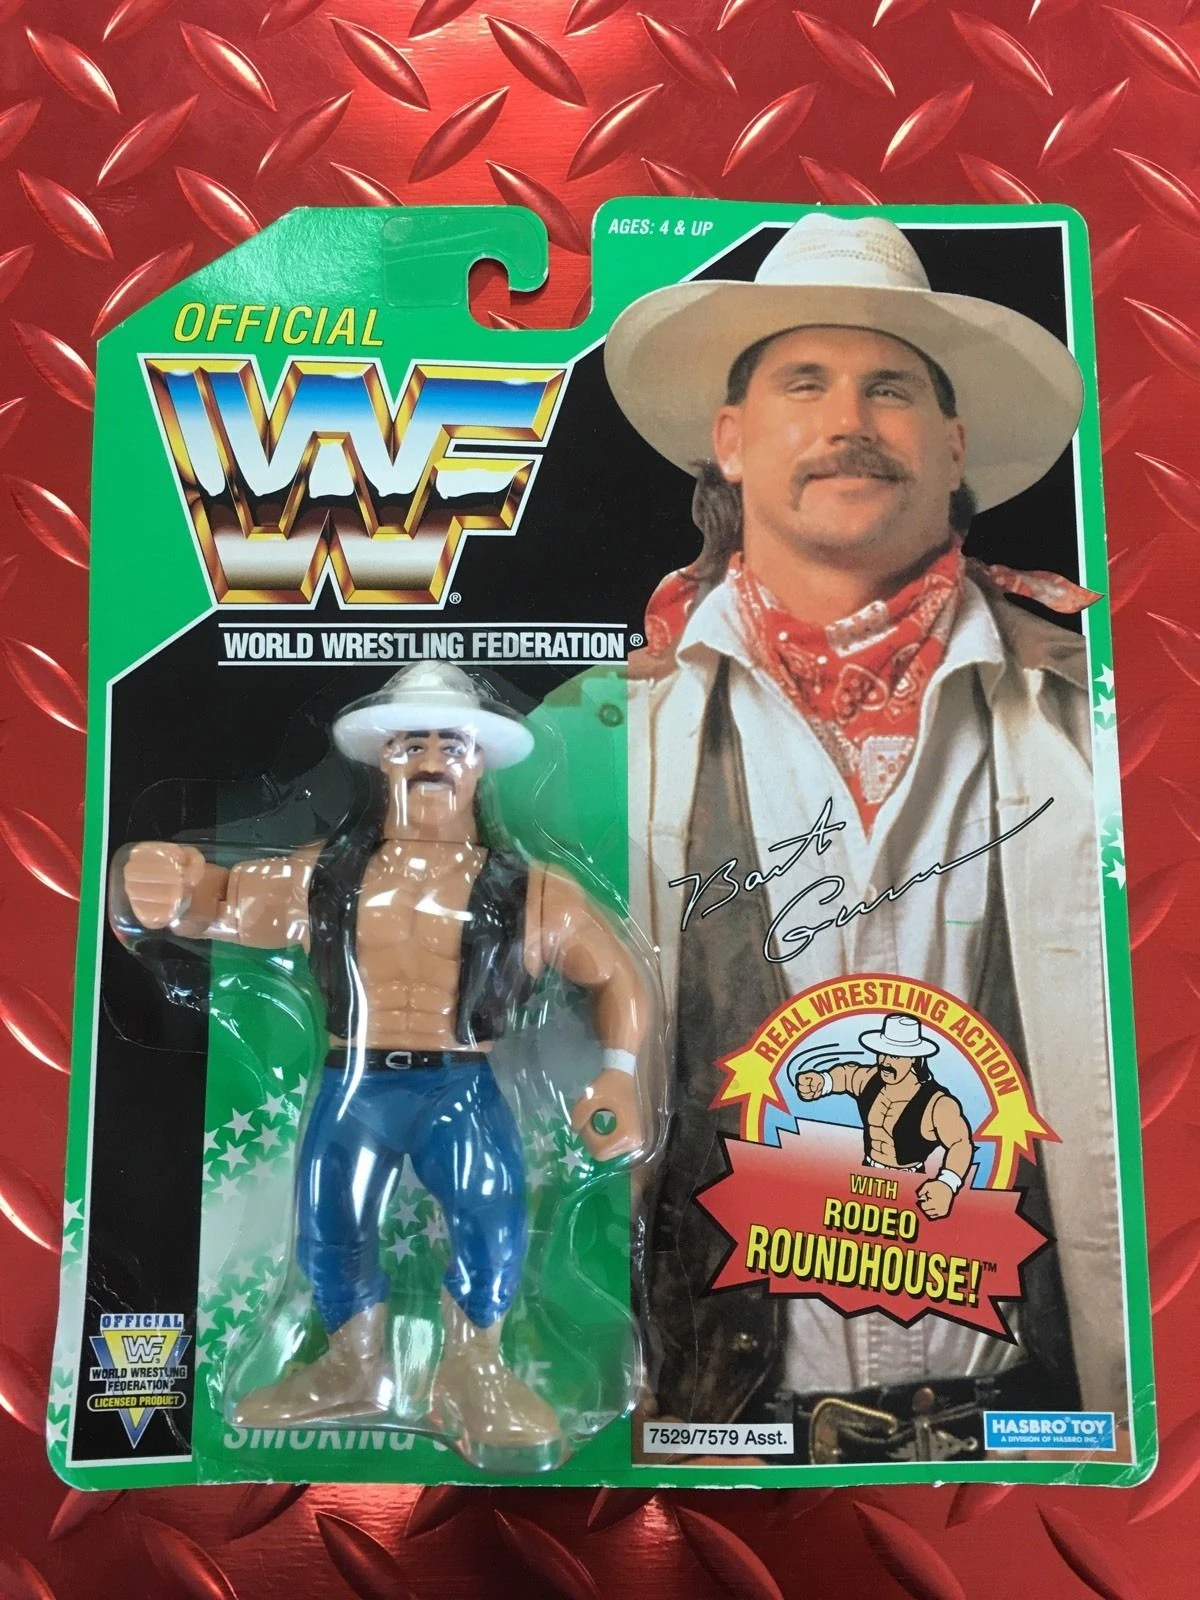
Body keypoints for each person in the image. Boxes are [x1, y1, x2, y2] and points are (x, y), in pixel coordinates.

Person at [600, 211, 1126, 1460]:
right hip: (717, 1447)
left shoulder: (1111, 717)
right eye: (805, 382)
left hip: (1040, 1440)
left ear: (953, 446)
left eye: (890, 388)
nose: (850, 419)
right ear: (731, 442)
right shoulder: (608, 739)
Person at [117, 662, 655, 1473]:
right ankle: (352, 1366)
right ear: (385, 760)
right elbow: (220, 903)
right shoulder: (325, 876)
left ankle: (475, 1367)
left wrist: (618, 1071)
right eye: (412, 744)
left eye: (450, 744)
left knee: (492, 1217)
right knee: (330, 1222)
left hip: (459, 1084)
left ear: (479, 762)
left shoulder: (529, 891)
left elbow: (614, 976)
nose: (432, 758)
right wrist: (164, 884)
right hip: (354, 1081)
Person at [792, 1012, 975, 1220]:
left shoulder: (937, 1103)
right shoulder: (870, 1079)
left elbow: (961, 1144)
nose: (885, 1062)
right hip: (863, 1178)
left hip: (910, 1187)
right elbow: (846, 1075)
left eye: (895, 1056)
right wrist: (822, 1081)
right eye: (882, 1053)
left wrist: (947, 1184)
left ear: (913, 1058)